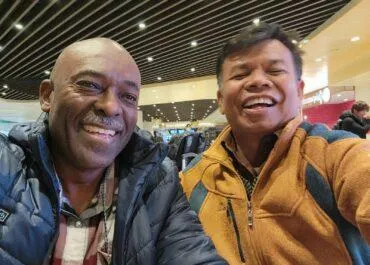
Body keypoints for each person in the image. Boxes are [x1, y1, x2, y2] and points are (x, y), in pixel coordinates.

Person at [0, 38, 226, 265]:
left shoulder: (157, 182)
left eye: (128, 96)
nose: (111, 107)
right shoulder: (6, 169)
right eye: (89, 85)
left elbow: (191, 252)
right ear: (47, 96)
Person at [180, 23, 370, 265]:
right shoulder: (193, 179)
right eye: (240, 74)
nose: (258, 81)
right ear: (221, 100)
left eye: (274, 71)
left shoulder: (336, 156)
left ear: (299, 91)